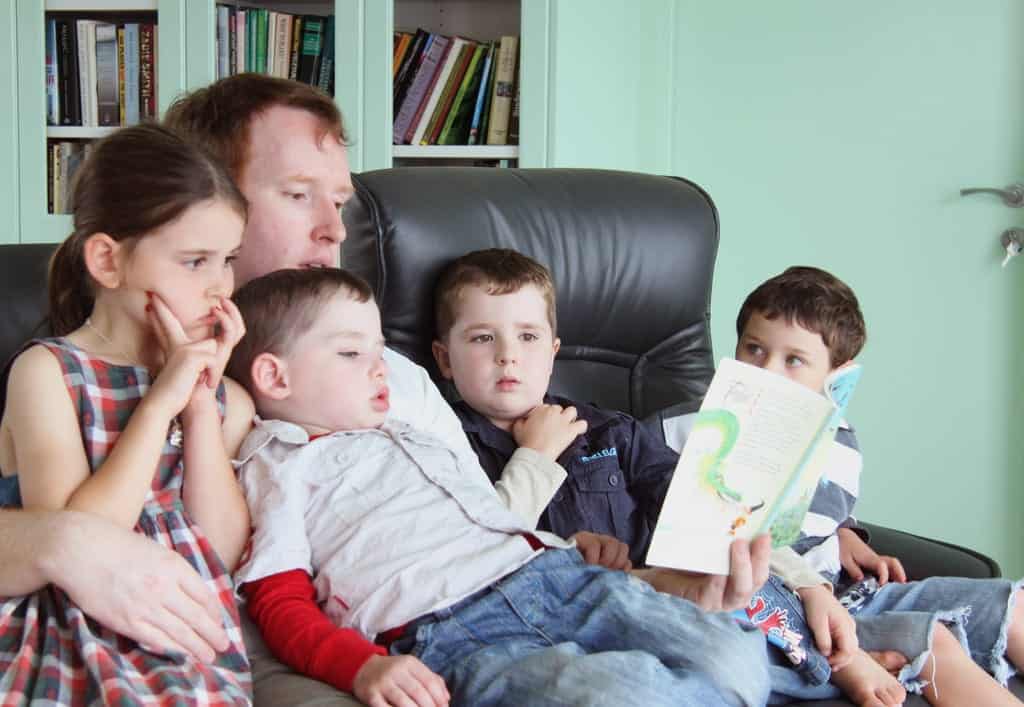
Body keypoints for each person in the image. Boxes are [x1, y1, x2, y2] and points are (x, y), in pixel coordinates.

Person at [0, 73, 768, 701]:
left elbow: (474, 534)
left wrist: (660, 580)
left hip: (528, 592)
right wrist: (66, 540)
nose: (334, 229)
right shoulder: (72, 374)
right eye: (299, 195)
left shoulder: (389, 374)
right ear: (213, 197)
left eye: (339, 202)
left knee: (738, 654)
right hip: (273, 647)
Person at [224, 265, 772, 707]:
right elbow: (278, 600)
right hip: (456, 631)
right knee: (635, 693)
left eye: (380, 349)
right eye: (352, 353)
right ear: (276, 377)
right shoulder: (278, 464)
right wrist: (362, 666)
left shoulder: (412, 424)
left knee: (736, 657)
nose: (381, 368)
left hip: (557, 578)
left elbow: (490, 514)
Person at [428, 248, 917, 705]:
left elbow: (721, 512)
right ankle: (821, 671)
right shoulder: (442, 444)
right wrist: (535, 457)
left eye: (528, 336)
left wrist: (809, 585)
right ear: (445, 357)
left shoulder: (611, 432)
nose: (508, 355)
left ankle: (830, 659)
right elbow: (473, 553)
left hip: (659, 600)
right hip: (549, 618)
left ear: (554, 350)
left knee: (735, 565)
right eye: (482, 337)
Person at [0, 125, 253, 704]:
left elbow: (221, 548)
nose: (220, 288)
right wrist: (160, 401)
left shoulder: (224, 400)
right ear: (108, 261)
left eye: (228, 261)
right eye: (195, 262)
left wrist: (196, 409)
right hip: (73, 630)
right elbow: (76, 538)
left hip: (182, 630)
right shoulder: (49, 375)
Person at [727, 265, 1024, 706]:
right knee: (930, 640)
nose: (768, 370)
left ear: (838, 378)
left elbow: (822, 512)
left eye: (793, 360)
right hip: (786, 614)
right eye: (754, 349)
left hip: (853, 594)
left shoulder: (839, 438)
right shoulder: (699, 430)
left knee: (1015, 607)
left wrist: (846, 531)